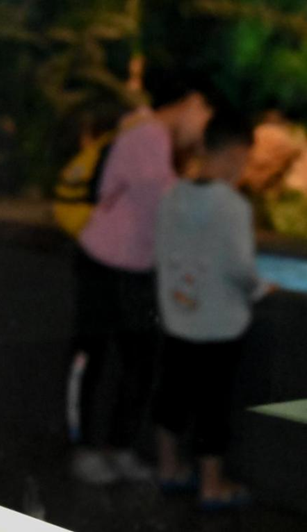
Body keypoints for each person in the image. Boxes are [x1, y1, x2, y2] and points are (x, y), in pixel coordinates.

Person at [71, 88, 213, 485]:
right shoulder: (148, 134)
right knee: (103, 359)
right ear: (193, 102)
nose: (202, 134)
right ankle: (89, 448)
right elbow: (165, 203)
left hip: (127, 265)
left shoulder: (153, 136)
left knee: (133, 362)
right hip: (108, 262)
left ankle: (113, 447)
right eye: (206, 121)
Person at [154, 113, 271, 510]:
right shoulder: (233, 206)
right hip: (219, 326)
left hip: (178, 319)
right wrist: (261, 289)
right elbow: (240, 267)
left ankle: (168, 468)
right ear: (237, 153)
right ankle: (212, 485)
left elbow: (162, 253)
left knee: (172, 396)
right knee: (212, 406)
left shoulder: (172, 197)